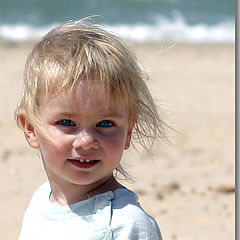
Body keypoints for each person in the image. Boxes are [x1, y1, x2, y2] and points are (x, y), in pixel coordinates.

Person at [15, 18, 167, 240]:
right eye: (66, 123)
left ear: (128, 132)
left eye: (105, 124)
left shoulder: (125, 225)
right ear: (30, 128)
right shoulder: (41, 199)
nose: (86, 141)